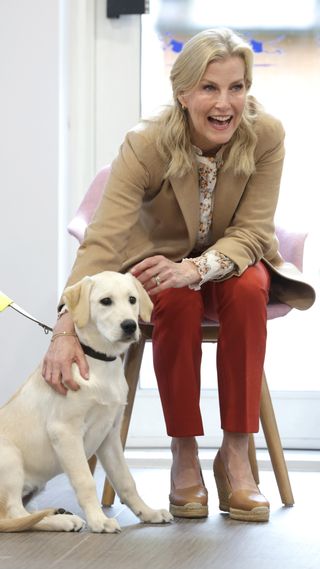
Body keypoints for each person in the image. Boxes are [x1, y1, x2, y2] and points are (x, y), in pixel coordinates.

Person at [42, 28, 315, 522]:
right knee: (175, 298)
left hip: (233, 266)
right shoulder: (146, 145)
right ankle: (184, 452)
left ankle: (236, 454)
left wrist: (195, 268)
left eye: (237, 87)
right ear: (182, 92)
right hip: (162, 271)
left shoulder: (267, 135)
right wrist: (65, 324)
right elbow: (103, 238)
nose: (225, 103)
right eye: (210, 88)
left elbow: (253, 231)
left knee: (251, 286)